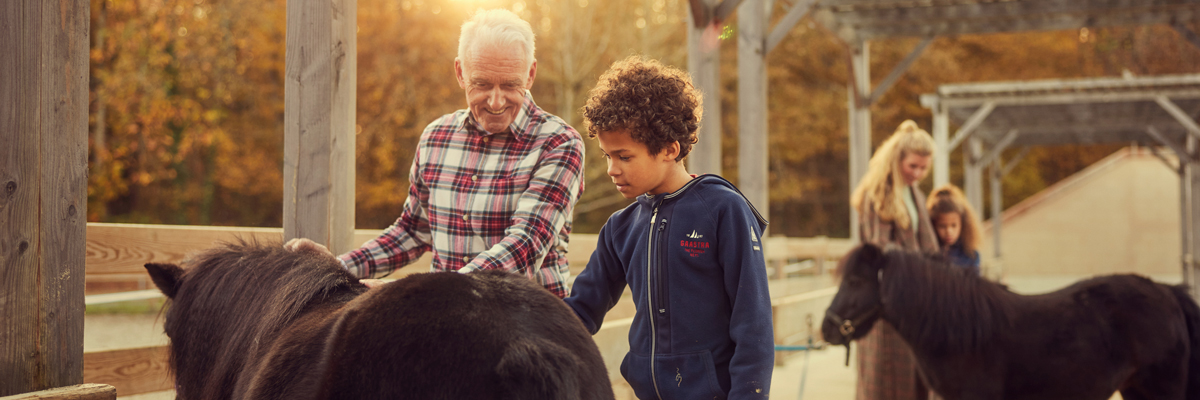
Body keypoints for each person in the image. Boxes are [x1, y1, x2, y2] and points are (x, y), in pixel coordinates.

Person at [286, 9, 584, 298]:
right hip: (442, 319)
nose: (496, 102)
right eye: (481, 84)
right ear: (460, 72)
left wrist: (417, 294)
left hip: (528, 320)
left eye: (510, 85)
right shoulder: (436, 137)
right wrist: (339, 268)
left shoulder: (559, 143)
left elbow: (525, 247)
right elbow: (413, 231)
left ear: (530, 75)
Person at [563, 56, 774, 399]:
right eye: (606, 156)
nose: (612, 169)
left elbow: (754, 324)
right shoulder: (620, 228)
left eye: (624, 156)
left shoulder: (723, 210)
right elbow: (581, 310)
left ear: (669, 149)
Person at [848, 119, 939, 400]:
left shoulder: (914, 193)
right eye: (913, 166)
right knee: (885, 380)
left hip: (913, 299)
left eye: (924, 168)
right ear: (897, 159)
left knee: (914, 378)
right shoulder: (878, 194)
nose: (918, 173)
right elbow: (879, 250)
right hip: (886, 302)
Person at [926, 184, 982, 275]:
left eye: (954, 225)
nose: (949, 231)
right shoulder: (929, 253)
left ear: (963, 224)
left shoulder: (971, 255)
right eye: (942, 226)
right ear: (933, 225)